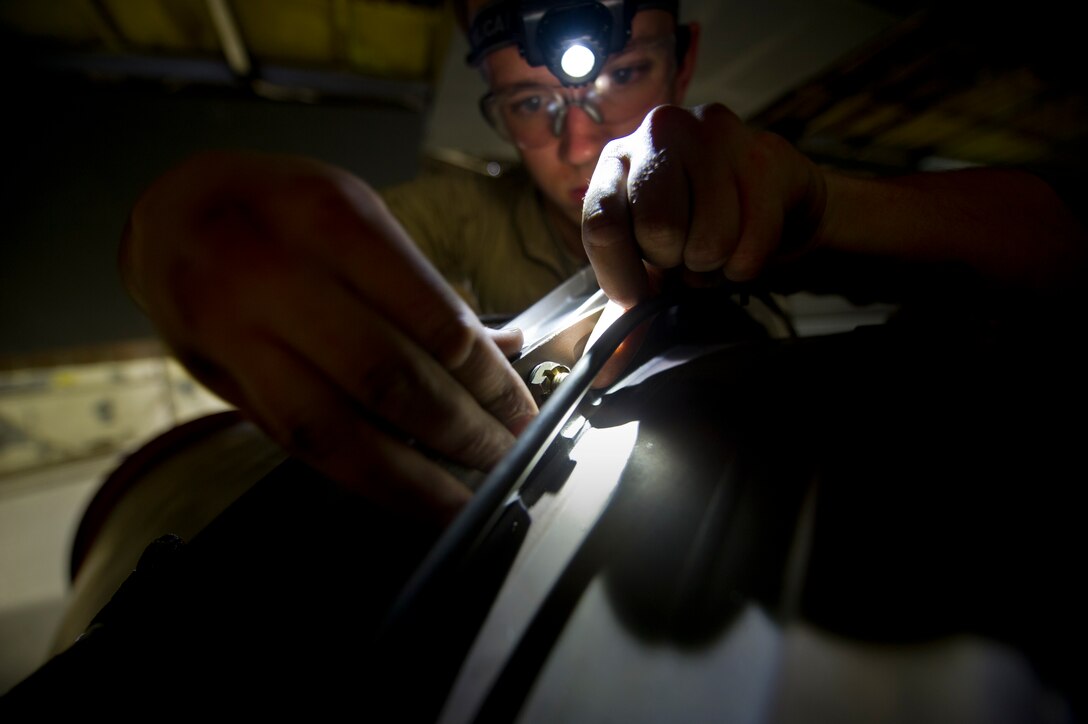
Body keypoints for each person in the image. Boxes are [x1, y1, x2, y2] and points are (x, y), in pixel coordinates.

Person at [117, 0, 1088, 527]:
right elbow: (304, 252)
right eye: (531, 105)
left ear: (684, 57)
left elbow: (1056, 247)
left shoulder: (756, 170)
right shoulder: (471, 205)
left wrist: (826, 209)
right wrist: (174, 228)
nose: (580, 138)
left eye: (619, 77)